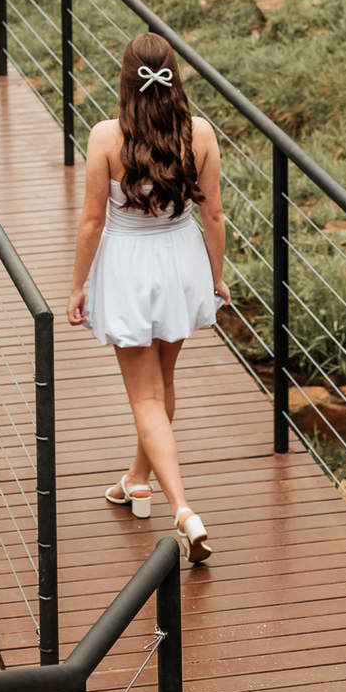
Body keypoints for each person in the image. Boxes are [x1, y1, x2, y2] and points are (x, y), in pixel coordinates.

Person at [67, 32, 230, 564]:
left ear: (126, 81)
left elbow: (93, 220)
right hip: (181, 263)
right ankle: (137, 481)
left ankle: (182, 509)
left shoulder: (105, 138)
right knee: (163, 383)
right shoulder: (200, 134)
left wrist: (77, 285)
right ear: (174, 80)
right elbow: (213, 216)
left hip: (131, 268)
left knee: (145, 397)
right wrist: (216, 276)